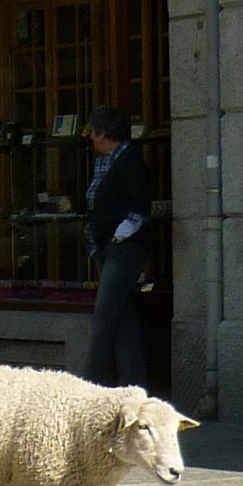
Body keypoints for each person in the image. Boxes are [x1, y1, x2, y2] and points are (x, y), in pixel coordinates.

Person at [80, 105, 153, 387]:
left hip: (123, 250)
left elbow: (139, 209)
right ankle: (133, 385)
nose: (91, 138)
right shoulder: (107, 160)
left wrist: (116, 236)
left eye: (93, 132)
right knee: (123, 320)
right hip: (105, 248)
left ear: (104, 133)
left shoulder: (130, 161)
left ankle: (88, 385)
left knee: (104, 317)